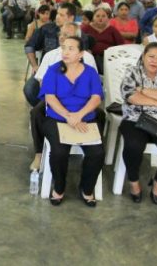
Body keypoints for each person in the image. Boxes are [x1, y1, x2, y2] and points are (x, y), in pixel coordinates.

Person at [39, 36, 104, 207]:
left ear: (81, 53)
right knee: (59, 152)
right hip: (57, 118)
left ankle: (87, 188)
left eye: (71, 49)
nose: (65, 52)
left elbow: (96, 98)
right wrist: (69, 117)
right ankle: (59, 188)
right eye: (64, 48)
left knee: (97, 153)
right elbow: (50, 98)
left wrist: (79, 115)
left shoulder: (90, 72)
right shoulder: (53, 70)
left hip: (85, 119)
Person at [26, 23, 99, 170]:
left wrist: (77, 113)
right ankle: (39, 153)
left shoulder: (88, 58)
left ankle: (91, 150)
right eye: (61, 34)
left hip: (81, 104)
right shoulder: (51, 55)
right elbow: (42, 83)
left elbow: (94, 89)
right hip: (55, 101)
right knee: (36, 112)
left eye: (67, 34)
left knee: (99, 115)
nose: (62, 37)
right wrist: (63, 108)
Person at [119, 42, 157, 204]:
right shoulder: (132, 72)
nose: (154, 61)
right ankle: (134, 183)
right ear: (144, 56)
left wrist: (143, 90)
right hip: (135, 119)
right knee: (133, 147)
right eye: (151, 56)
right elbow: (131, 96)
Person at [81, 7, 125, 73]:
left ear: (108, 18)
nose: (100, 18)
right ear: (93, 17)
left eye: (103, 16)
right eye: (97, 16)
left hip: (110, 58)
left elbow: (121, 44)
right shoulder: (86, 29)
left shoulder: (112, 29)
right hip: (90, 58)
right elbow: (78, 43)